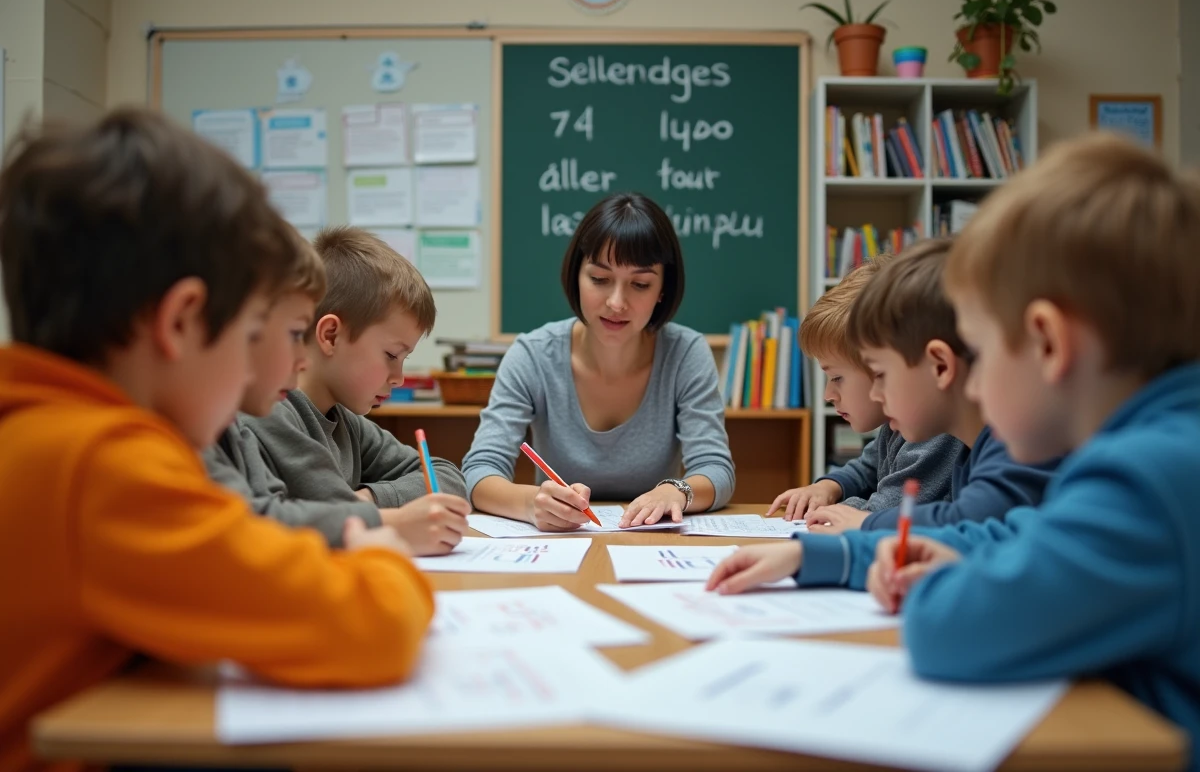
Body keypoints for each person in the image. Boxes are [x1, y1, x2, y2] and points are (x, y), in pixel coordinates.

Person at [706, 134, 1200, 762]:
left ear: (1049, 344)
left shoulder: (1146, 479)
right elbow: (1015, 536)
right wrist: (826, 556)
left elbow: (951, 630)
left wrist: (937, 578)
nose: (972, 382)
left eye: (982, 351)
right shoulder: (1157, 447)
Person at [0, 110, 434, 771]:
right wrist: (382, 553)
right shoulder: (103, 464)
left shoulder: (41, 427)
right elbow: (373, 627)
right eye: (255, 329)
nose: (268, 365)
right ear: (181, 322)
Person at [464, 192, 735, 531]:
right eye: (599, 279)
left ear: (662, 290)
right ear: (576, 276)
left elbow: (716, 469)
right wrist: (531, 504)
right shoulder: (532, 355)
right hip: (559, 543)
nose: (617, 302)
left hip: (650, 540)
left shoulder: (685, 353)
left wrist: (676, 491)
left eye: (640, 284)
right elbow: (479, 469)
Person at [244, 226, 471, 556]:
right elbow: (334, 510)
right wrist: (388, 517)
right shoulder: (271, 414)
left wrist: (370, 499)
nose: (399, 378)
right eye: (391, 355)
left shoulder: (345, 420)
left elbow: (448, 477)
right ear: (331, 336)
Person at [767, 255, 961, 522]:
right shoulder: (899, 425)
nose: (828, 395)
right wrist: (828, 487)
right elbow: (867, 468)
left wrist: (830, 511)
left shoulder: (932, 430)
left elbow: (884, 515)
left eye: (837, 377)